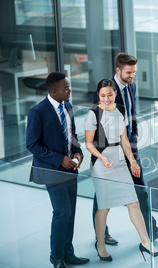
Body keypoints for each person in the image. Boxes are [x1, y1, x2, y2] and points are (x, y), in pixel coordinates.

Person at [92, 53, 158, 244]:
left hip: (129, 144)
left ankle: (150, 230)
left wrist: (134, 134)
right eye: (129, 72)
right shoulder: (107, 91)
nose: (132, 76)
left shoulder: (131, 86)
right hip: (110, 149)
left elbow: (131, 112)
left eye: (134, 72)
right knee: (102, 195)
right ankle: (101, 235)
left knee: (141, 190)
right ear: (118, 70)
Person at [85, 79, 158, 261]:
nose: (106, 99)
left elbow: (124, 140)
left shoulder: (120, 109)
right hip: (101, 163)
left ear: (115, 94)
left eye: (110, 95)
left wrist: (133, 163)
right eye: (103, 95)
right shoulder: (93, 114)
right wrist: (103, 158)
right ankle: (100, 244)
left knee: (133, 203)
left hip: (120, 160)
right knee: (104, 207)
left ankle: (145, 243)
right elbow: (88, 144)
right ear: (98, 95)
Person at [26, 72, 89, 268]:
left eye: (69, 87)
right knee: (62, 213)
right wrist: (60, 159)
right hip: (52, 170)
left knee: (70, 213)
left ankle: (68, 253)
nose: (70, 91)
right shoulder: (38, 111)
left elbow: (72, 134)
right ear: (53, 92)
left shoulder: (68, 106)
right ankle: (57, 256)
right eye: (66, 88)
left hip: (71, 169)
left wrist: (78, 152)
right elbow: (32, 144)